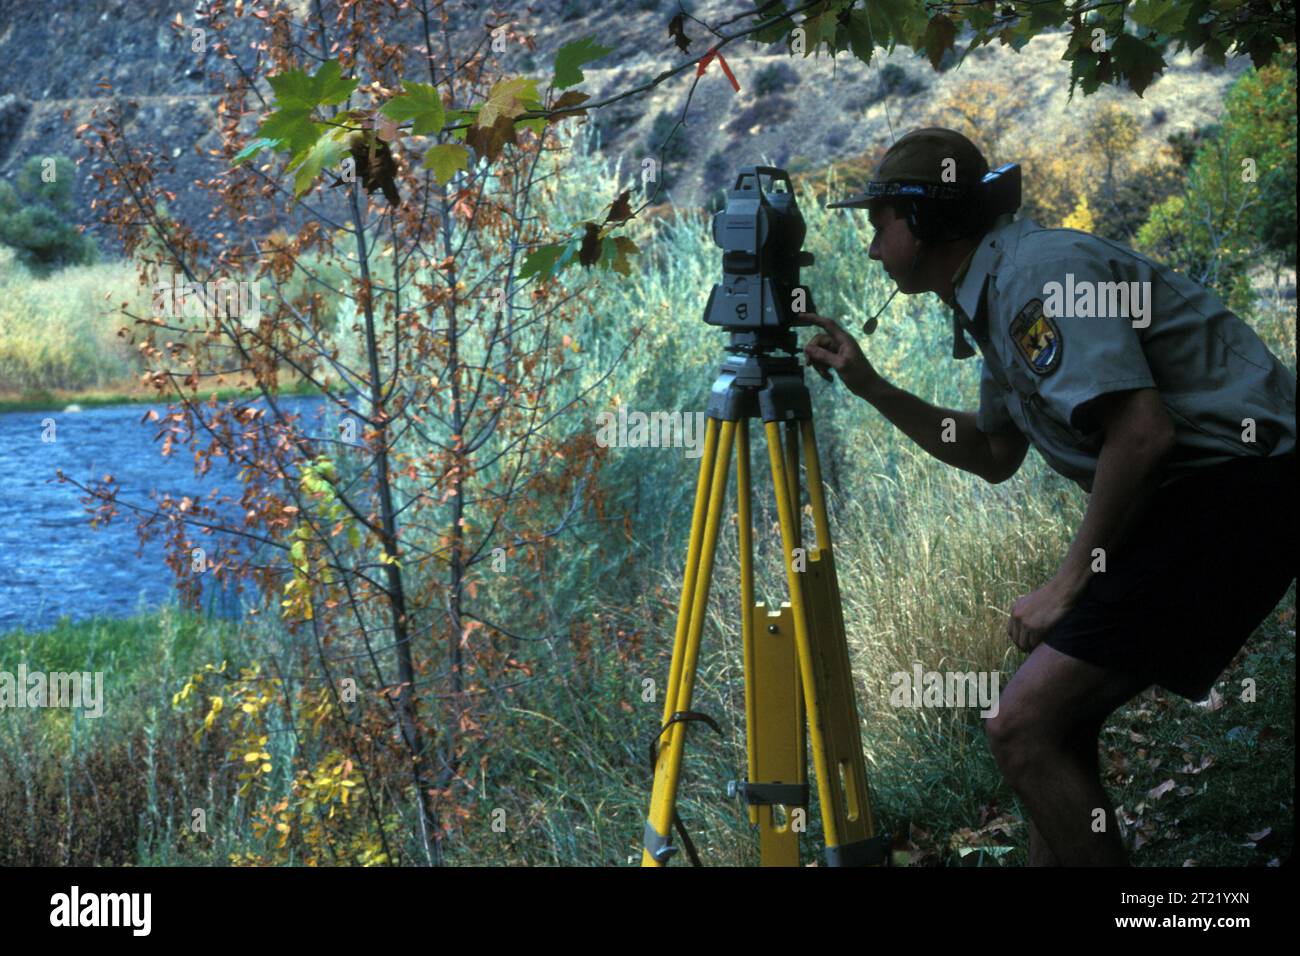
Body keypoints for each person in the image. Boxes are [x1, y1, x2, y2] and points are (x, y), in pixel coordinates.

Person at [802, 127, 1297, 866]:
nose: (873, 248)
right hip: (1190, 497)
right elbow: (993, 452)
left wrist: (1068, 586)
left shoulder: (1038, 277)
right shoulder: (999, 291)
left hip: (1237, 488)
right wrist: (872, 386)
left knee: (1021, 725)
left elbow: (1142, 435)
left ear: (925, 220)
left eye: (881, 224)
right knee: (1048, 729)